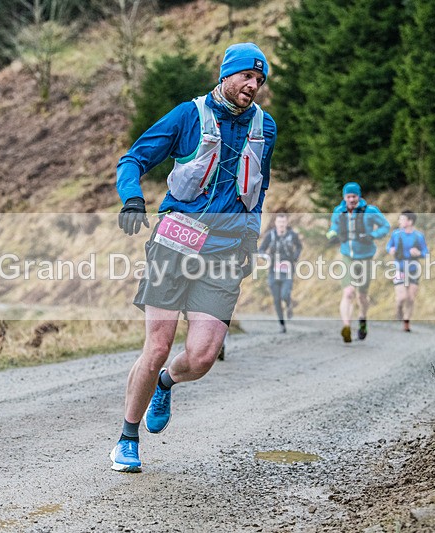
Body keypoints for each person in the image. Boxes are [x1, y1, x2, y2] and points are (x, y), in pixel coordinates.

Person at [111, 42, 276, 473]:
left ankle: (166, 384)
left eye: (259, 80)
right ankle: (127, 438)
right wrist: (132, 199)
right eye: (247, 76)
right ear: (226, 74)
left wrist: (250, 239)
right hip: (175, 241)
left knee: (202, 357)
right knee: (159, 345)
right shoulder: (189, 116)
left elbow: (258, 191)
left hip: (224, 250)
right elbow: (133, 159)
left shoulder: (265, 127)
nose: (253, 86)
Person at [325, 182, 390, 343]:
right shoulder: (339, 211)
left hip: (366, 256)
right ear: (344, 197)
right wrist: (332, 233)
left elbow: (385, 226)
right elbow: (334, 226)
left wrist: (373, 235)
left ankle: (362, 318)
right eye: (349, 196)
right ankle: (346, 327)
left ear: (359, 196)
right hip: (348, 256)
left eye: (354, 196)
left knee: (361, 296)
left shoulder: (370, 211)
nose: (352, 199)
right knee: (348, 292)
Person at [258, 213, 302, 332]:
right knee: (276, 299)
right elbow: (260, 249)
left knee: (285, 294)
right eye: (279, 222)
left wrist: (294, 258)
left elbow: (299, 247)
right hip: (273, 270)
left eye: (283, 222)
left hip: (287, 269)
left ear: (287, 223)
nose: (281, 224)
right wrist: (266, 257)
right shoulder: (270, 235)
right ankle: (282, 325)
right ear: (275, 223)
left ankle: (288, 305)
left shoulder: (292, 235)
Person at [387, 210, 428, 332]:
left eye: (402, 219)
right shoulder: (396, 234)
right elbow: (389, 246)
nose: (399, 221)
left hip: (413, 269)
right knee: (401, 297)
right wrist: (391, 249)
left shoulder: (419, 236)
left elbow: (426, 253)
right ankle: (399, 308)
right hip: (399, 268)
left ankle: (406, 322)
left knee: (411, 298)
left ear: (410, 222)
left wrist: (419, 253)